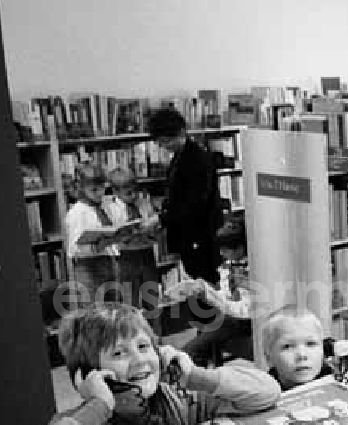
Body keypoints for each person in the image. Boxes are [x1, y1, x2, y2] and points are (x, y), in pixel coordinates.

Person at [2, 302, 281, 425]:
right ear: (88, 375)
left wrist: (197, 377)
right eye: (119, 354)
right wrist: (96, 407)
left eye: (144, 347)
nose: (139, 360)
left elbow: (268, 392)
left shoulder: (182, 399)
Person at [148, 108, 223, 284]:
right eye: (160, 143)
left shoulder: (197, 159)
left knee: (204, 285)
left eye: (166, 141)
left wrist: (162, 218)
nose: (164, 146)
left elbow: (194, 202)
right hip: (188, 235)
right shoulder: (180, 156)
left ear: (181, 132)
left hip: (201, 235)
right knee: (194, 282)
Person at [172, 219, 255, 366]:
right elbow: (227, 294)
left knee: (217, 328)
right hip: (232, 316)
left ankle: (183, 357)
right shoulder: (229, 266)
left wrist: (217, 299)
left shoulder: (251, 269)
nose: (221, 253)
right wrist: (210, 292)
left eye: (225, 249)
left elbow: (245, 309)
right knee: (215, 325)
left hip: (245, 320)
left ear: (240, 248)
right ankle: (187, 357)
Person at [261, 304, 348, 391]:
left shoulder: (329, 363)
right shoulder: (266, 388)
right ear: (269, 358)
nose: (302, 355)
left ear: (322, 349)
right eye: (287, 347)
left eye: (310, 344)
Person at [104, 167, 161, 310]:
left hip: (146, 253)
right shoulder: (110, 208)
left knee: (152, 298)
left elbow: (155, 225)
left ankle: (154, 329)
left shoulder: (143, 203)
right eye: (128, 193)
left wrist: (153, 226)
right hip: (126, 257)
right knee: (130, 300)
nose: (134, 195)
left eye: (135, 190)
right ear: (115, 191)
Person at [65, 163, 120, 305]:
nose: (100, 193)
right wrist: (96, 247)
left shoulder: (106, 207)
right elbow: (72, 249)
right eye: (94, 190)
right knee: (93, 312)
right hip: (89, 268)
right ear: (81, 188)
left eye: (102, 188)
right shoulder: (77, 212)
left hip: (109, 263)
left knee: (113, 310)